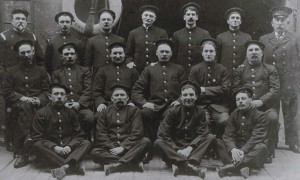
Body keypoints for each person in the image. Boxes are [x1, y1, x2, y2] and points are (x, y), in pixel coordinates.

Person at [131, 39, 187, 162]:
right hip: (155, 105)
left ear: (171, 53)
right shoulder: (149, 69)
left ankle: (169, 151)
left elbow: (186, 88)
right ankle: (149, 149)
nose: (164, 54)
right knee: (145, 113)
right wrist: (145, 103)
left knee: (173, 113)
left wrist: (180, 100)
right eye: (161, 51)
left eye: (167, 52)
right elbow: (136, 90)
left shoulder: (179, 69)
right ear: (156, 53)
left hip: (172, 105)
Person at [0, 9, 44, 151]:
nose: (20, 21)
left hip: (30, 77)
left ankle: (30, 140)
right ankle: (11, 141)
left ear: (26, 21)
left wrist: (39, 74)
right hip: (10, 78)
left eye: (23, 19)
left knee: (29, 107)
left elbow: (39, 58)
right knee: (11, 111)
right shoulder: (3, 37)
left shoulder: (32, 36)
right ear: (11, 21)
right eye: (17, 18)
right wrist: (3, 75)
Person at [2, 39, 50, 168]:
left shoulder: (41, 71)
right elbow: (7, 92)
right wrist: (22, 98)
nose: (26, 55)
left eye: (29, 52)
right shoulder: (10, 71)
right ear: (18, 54)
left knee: (31, 107)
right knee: (25, 106)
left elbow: (47, 91)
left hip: (38, 104)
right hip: (18, 105)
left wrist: (39, 99)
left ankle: (27, 148)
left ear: (33, 52)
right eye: (23, 53)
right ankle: (25, 149)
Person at [259, 6, 300, 153]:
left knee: (291, 112)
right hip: (272, 82)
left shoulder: (295, 39)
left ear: (288, 22)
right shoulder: (264, 39)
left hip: (290, 82)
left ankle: (293, 142)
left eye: (283, 20)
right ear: (272, 23)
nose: (280, 23)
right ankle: (272, 140)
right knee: (272, 111)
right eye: (277, 20)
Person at [155, 80, 216, 178]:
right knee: (158, 142)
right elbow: (163, 134)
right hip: (175, 150)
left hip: (192, 150)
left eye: (191, 95)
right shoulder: (172, 111)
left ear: (196, 97)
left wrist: (190, 148)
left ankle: (179, 165)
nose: (188, 98)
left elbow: (202, 133)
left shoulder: (200, 112)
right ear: (181, 97)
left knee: (210, 137)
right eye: (185, 95)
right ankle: (190, 166)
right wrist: (176, 150)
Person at [231, 40, 280, 163]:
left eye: (256, 50)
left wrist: (261, 101)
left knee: (273, 117)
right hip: (245, 108)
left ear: (262, 53)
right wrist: (246, 102)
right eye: (250, 50)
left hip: (265, 107)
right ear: (246, 54)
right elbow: (235, 89)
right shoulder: (240, 70)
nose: (254, 53)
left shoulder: (270, 69)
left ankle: (267, 152)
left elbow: (275, 89)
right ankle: (242, 149)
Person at [32, 83, 91, 180]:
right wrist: (54, 147)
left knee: (86, 143)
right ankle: (72, 166)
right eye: (56, 94)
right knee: (37, 145)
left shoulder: (71, 113)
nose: (59, 96)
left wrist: (69, 146)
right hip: (51, 152)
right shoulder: (41, 113)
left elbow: (79, 135)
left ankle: (65, 167)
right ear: (50, 97)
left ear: (66, 98)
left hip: (68, 150)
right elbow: (37, 137)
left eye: (62, 94)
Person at [91, 83, 151, 175]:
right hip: (112, 150)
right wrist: (114, 147)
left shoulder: (134, 110)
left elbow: (137, 132)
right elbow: (100, 134)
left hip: (129, 148)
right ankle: (131, 163)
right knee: (95, 152)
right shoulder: (105, 112)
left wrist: (123, 147)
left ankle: (117, 165)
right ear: (112, 99)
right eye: (116, 95)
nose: (119, 97)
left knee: (145, 141)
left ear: (127, 98)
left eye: (122, 95)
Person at [217, 87, 268, 178]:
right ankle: (244, 167)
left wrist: (243, 150)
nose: (240, 101)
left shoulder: (260, 116)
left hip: (250, 151)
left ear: (250, 100)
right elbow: (228, 135)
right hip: (236, 151)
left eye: (243, 99)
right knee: (218, 142)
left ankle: (230, 167)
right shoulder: (234, 115)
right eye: (238, 100)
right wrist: (233, 149)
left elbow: (257, 137)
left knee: (262, 147)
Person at [189, 38, 230, 139]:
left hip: (219, 106)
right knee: (204, 122)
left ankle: (219, 143)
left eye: (211, 51)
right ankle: (206, 146)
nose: (208, 54)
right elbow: (193, 89)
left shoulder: (222, 69)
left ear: (215, 53)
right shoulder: (195, 69)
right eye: (206, 51)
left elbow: (225, 89)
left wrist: (203, 90)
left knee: (224, 120)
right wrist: (215, 90)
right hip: (201, 105)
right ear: (202, 53)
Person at [52, 43, 94, 138]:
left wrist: (79, 104)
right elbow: (56, 91)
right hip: (63, 107)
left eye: (72, 54)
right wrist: (64, 103)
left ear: (76, 56)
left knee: (89, 117)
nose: (69, 56)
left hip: (81, 107)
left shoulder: (84, 71)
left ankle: (85, 137)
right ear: (62, 57)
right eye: (66, 54)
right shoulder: (57, 73)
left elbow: (88, 90)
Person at [93, 42, 139, 113]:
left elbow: (137, 89)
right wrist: (101, 103)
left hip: (128, 104)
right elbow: (96, 91)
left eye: (120, 53)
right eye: (115, 53)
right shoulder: (103, 70)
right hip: (108, 105)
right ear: (110, 55)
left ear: (124, 54)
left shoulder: (131, 69)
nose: (117, 56)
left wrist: (132, 102)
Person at [126, 5, 168, 73]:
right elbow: (128, 53)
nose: (148, 18)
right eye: (146, 15)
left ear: (155, 18)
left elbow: (165, 51)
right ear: (142, 16)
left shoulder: (162, 33)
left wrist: (159, 63)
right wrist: (129, 62)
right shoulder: (133, 33)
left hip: (156, 69)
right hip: (138, 69)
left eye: (151, 16)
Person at [172, 2, 210, 73]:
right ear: (184, 17)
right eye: (188, 14)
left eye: (193, 14)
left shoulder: (205, 34)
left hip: (199, 71)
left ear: (197, 17)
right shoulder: (176, 34)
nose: (190, 17)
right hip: (181, 71)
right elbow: (173, 55)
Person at [85, 9, 126, 73]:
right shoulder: (91, 41)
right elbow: (87, 63)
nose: (106, 22)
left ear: (113, 21)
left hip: (115, 75)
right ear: (99, 22)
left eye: (108, 19)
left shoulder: (120, 40)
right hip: (97, 77)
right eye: (103, 19)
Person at [216, 7, 252, 75]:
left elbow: (249, 56)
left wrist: (244, 65)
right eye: (232, 18)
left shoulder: (247, 37)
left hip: (242, 73)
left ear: (240, 21)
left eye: (237, 18)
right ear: (228, 21)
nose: (235, 20)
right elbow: (217, 57)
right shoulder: (220, 37)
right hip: (225, 74)